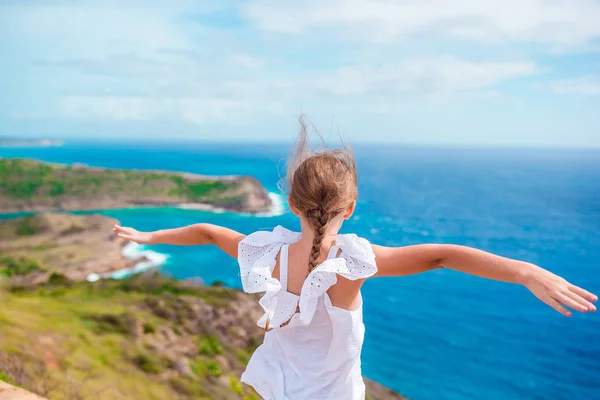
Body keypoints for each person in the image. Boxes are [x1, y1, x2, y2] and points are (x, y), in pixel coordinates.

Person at [113, 119, 597, 400]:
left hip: (276, 389)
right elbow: (443, 256)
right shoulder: (351, 263)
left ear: (292, 202)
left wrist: (149, 233)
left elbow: (205, 230)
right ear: (350, 207)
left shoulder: (266, 252)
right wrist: (527, 271)